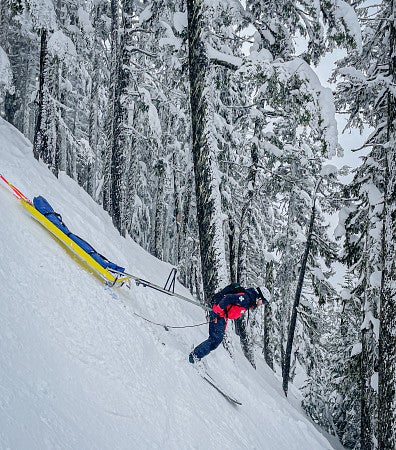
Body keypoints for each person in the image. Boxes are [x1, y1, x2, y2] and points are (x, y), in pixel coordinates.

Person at [189, 286, 269, 363]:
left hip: (222, 316)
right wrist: (217, 311)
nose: (261, 304)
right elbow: (229, 298)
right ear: (259, 297)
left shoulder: (248, 300)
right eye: (263, 302)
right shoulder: (246, 299)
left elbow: (231, 308)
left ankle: (196, 355)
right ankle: (195, 356)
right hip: (218, 314)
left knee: (216, 340)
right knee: (215, 340)